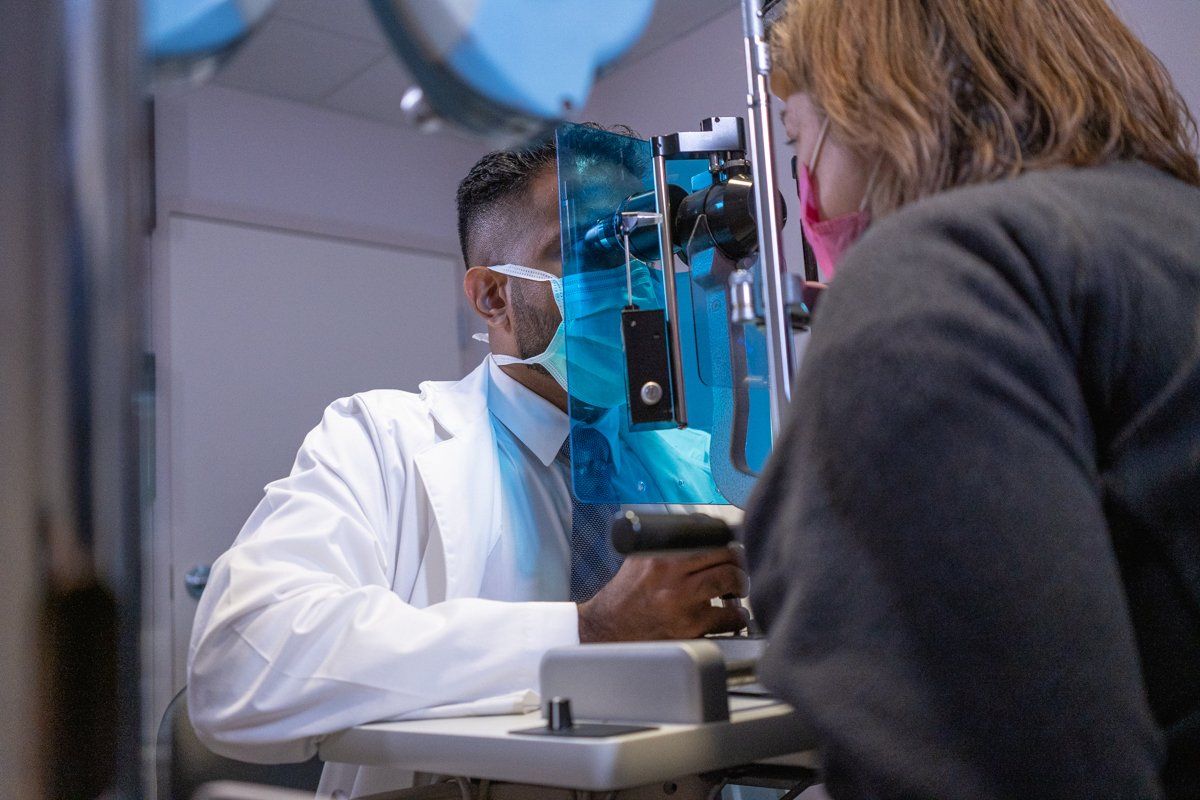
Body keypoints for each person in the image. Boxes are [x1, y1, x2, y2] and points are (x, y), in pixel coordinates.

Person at [187, 131, 748, 797]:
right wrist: (587, 631)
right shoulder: (381, 438)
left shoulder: (685, 460)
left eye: (643, 245)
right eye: (587, 248)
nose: (635, 279)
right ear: (491, 297)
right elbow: (239, 664)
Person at [740, 1, 1200, 798]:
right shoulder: (1166, 236)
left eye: (793, 140)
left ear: (871, 107)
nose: (803, 191)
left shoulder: (939, 278)